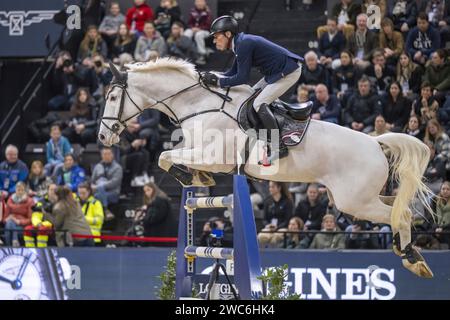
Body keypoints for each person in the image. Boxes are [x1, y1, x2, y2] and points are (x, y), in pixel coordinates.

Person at [200, 15, 304, 161]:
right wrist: (213, 76)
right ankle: (265, 137)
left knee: (259, 103)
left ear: (228, 34)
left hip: (289, 71)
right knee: (250, 96)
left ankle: (279, 146)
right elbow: (231, 73)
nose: (214, 40)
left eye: (217, 36)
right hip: (275, 73)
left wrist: (218, 83)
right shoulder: (239, 43)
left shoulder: (243, 44)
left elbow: (242, 78)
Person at [257, 181, 294, 248]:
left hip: (282, 227)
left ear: (279, 188)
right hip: (270, 228)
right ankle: (263, 255)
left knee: (276, 237)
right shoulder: (267, 201)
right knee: (261, 236)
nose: (270, 189)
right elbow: (264, 219)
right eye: (270, 187)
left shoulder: (287, 201)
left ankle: (274, 255)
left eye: (272, 187)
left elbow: (287, 220)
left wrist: (277, 227)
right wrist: (268, 225)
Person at [91, 147, 123, 220]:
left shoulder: (118, 168)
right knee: (98, 189)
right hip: (99, 191)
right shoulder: (98, 166)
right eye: (104, 154)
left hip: (113, 192)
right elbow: (92, 180)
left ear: (112, 155)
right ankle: (106, 211)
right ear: (101, 155)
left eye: (108, 154)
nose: (106, 156)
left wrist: (99, 186)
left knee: (97, 194)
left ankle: (104, 210)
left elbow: (114, 183)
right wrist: (94, 186)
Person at [118, 118, 151, 187]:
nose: (136, 126)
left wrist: (142, 144)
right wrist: (132, 146)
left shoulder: (137, 133)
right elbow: (123, 151)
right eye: (133, 124)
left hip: (133, 155)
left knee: (145, 153)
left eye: (136, 123)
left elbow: (139, 148)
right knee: (139, 155)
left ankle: (143, 174)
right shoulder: (122, 134)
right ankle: (134, 178)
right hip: (123, 158)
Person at [23, 183, 57, 248]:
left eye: (54, 190)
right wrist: (38, 223)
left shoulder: (59, 201)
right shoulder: (41, 201)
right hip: (40, 224)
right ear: (48, 191)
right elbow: (36, 214)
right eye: (51, 189)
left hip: (53, 225)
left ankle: (42, 249)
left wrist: (45, 224)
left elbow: (56, 218)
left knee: (42, 229)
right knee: (27, 229)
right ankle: (30, 249)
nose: (53, 192)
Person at [2, 182, 34, 247]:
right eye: (18, 190)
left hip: (23, 226)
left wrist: (18, 221)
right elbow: (5, 218)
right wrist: (7, 219)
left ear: (25, 191)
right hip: (11, 224)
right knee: (10, 223)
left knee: (10, 226)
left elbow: (30, 220)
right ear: (15, 190)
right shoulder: (10, 200)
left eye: (22, 190)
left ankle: (8, 246)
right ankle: (15, 241)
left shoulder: (30, 201)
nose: (20, 192)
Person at [184, 0, 213, 65]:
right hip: (194, 29)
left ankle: (202, 55)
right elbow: (189, 23)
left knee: (198, 35)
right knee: (187, 33)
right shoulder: (192, 11)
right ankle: (187, 53)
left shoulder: (208, 12)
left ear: (204, 3)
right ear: (195, 3)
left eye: (201, 2)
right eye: (198, 2)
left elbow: (208, 25)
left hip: (205, 31)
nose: (199, 3)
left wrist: (199, 28)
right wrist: (192, 27)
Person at [434, 181, 450, 247]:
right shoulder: (435, 202)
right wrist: (436, 228)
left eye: (448, 189)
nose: (445, 191)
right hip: (437, 228)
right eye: (443, 189)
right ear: (440, 190)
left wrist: (442, 229)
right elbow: (432, 218)